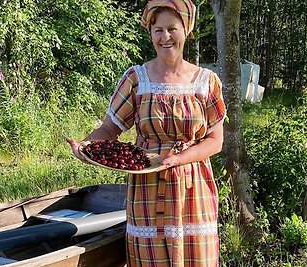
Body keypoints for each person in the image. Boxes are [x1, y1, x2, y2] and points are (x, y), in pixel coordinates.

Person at [67, 0, 226, 266]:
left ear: (186, 29)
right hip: (147, 188)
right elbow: (110, 129)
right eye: (158, 30)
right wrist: (86, 146)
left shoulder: (206, 81)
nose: (165, 37)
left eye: (172, 29)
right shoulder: (137, 79)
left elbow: (215, 141)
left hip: (192, 188)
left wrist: (178, 159)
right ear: (150, 33)